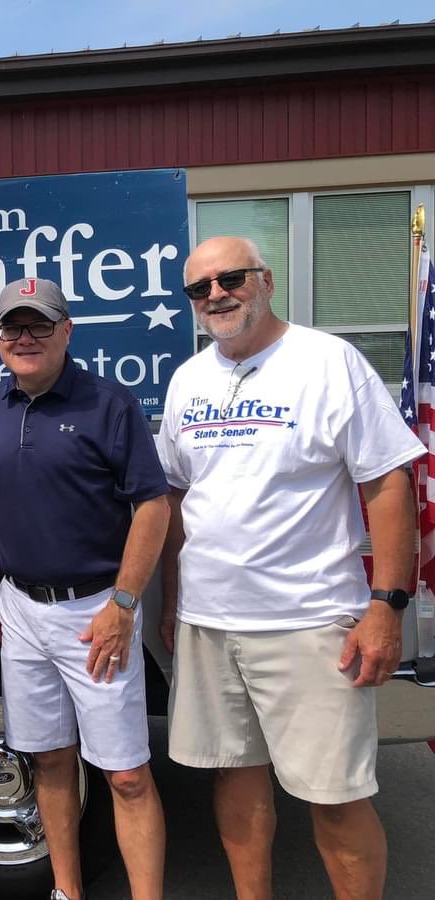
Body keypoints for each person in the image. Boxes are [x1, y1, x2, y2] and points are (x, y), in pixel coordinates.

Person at [157, 236, 423, 900]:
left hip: (308, 622)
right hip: (208, 623)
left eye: (230, 278)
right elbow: (176, 498)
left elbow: (387, 486)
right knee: (234, 779)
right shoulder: (189, 379)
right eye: (199, 288)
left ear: (265, 279)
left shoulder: (328, 362)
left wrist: (386, 606)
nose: (216, 295)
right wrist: (169, 603)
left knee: (335, 797)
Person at [0, 278, 170, 900]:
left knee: (126, 774)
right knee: (48, 759)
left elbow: (153, 507)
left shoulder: (109, 402)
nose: (25, 338)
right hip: (21, 608)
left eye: (40, 326)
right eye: (12, 328)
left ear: (67, 332)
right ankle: (66, 891)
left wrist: (124, 604)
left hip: (95, 612)